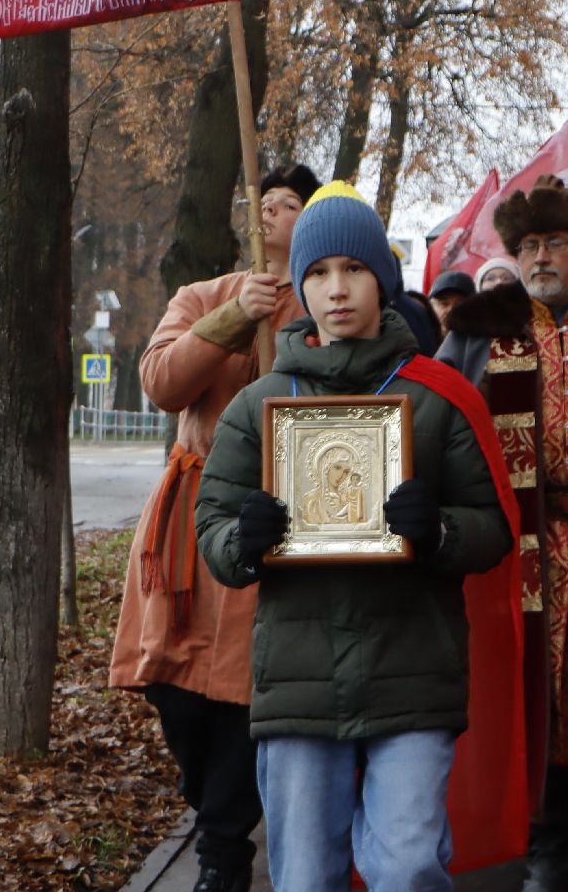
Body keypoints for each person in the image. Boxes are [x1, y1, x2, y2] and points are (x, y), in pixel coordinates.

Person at [195, 182, 517, 891]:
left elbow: (493, 528)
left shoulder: (437, 398)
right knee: (306, 877)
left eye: (353, 269)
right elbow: (212, 526)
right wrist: (244, 542)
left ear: (383, 278)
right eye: (316, 273)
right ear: (300, 287)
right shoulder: (260, 407)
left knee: (406, 868)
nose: (336, 289)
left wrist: (436, 530)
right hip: (299, 682)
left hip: (413, 670)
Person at [108, 164, 319, 892]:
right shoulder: (205, 295)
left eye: (289, 204)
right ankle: (212, 809)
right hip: (191, 520)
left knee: (242, 693)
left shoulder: (327, 298)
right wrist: (234, 318)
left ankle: (223, 854)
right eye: (262, 202)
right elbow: (163, 381)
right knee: (176, 685)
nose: (269, 213)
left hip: (274, 519)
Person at [437, 176, 568, 891]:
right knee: (524, 685)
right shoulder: (476, 329)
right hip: (512, 544)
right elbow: (439, 424)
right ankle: (537, 836)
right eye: (527, 245)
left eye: (556, 242)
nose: (540, 258)